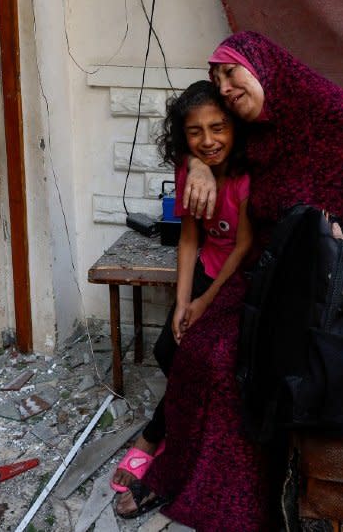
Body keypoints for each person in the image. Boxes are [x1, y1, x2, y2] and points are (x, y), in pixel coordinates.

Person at [181, 31, 343, 531]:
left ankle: (302, 509)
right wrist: (196, 168)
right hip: (284, 270)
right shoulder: (257, 133)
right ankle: (214, 488)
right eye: (216, 78)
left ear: (265, 68)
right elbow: (202, 142)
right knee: (205, 349)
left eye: (231, 72)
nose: (224, 87)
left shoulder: (337, 117)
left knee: (298, 373)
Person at [113, 81, 269, 530]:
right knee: (168, 349)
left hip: (236, 278)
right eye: (195, 132)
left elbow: (241, 248)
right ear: (183, 137)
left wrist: (202, 302)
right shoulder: (191, 169)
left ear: (235, 127)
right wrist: (182, 300)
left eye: (218, 127)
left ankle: (155, 435)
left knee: (200, 359)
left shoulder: (246, 176)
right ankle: (178, 422)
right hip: (205, 268)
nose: (208, 140)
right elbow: (188, 238)